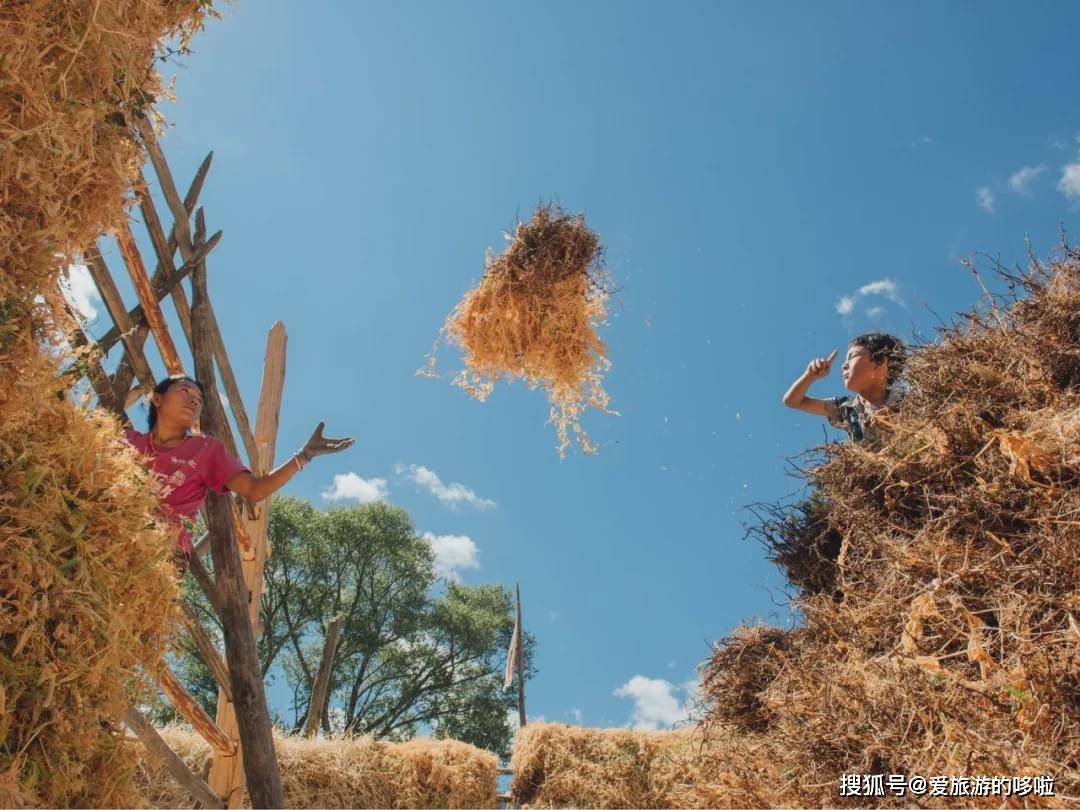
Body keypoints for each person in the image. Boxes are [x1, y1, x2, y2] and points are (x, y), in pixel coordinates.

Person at [125, 374, 353, 557]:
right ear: (157, 399)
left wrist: (304, 456)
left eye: (199, 399)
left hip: (163, 554)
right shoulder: (128, 442)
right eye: (184, 390)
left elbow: (254, 490)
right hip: (117, 534)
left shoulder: (206, 449)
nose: (194, 400)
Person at [782, 332, 908, 444]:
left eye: (853, 356)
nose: (843, 366)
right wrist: (809, 376)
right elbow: (792, 401)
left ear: (881, 362)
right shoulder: (846, 409)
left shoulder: (909, 403)